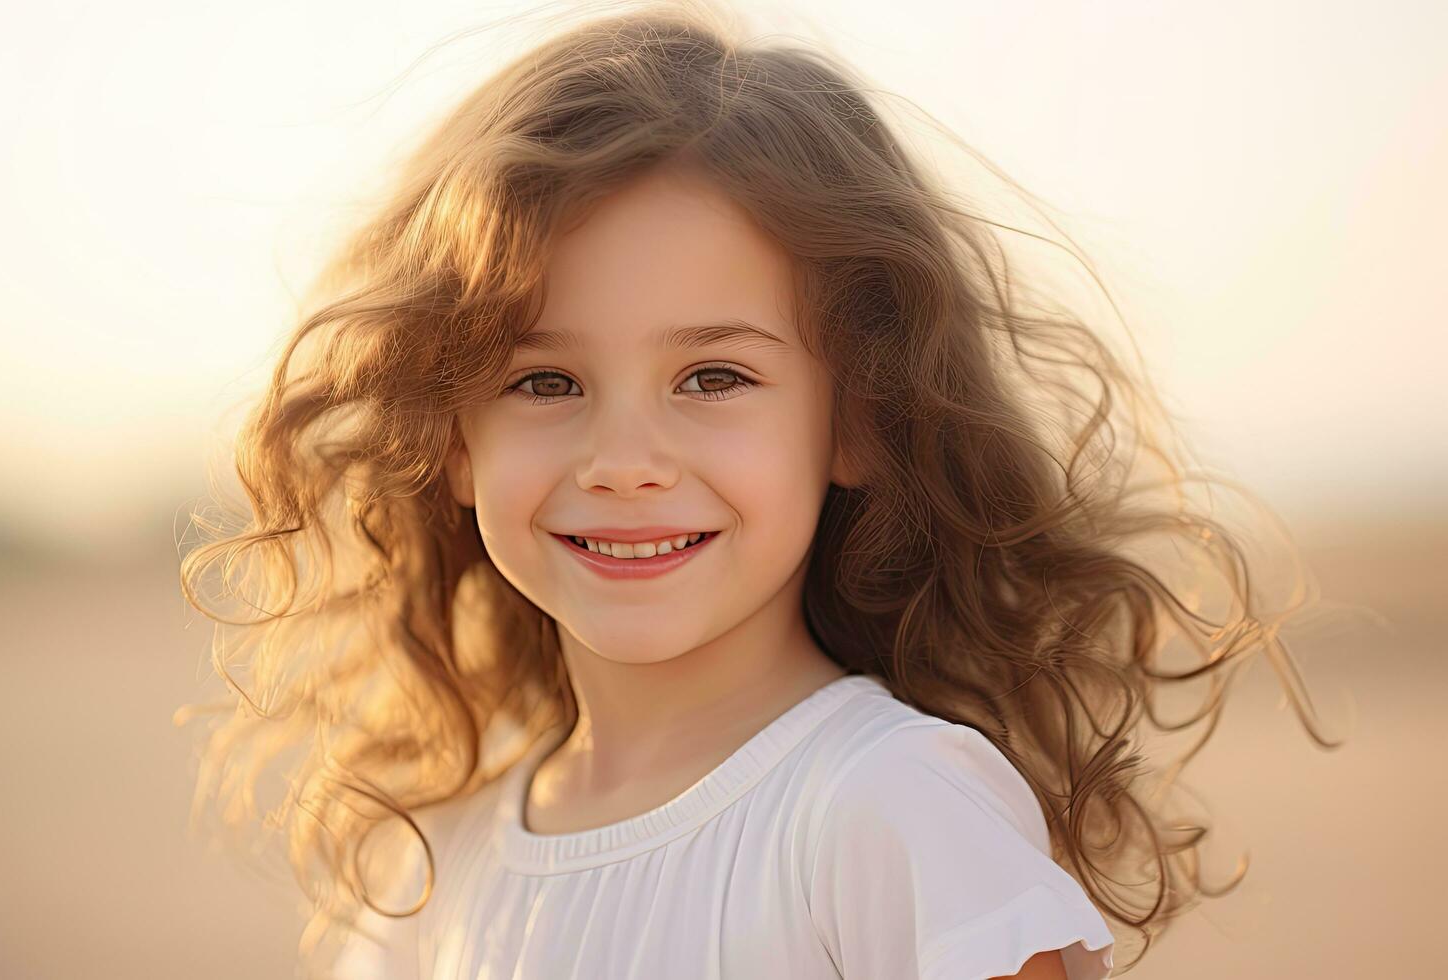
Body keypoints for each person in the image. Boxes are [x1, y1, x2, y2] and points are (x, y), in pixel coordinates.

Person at [177, 1, 1327, 977]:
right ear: (453, 437)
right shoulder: (430, 858)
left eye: (713, 374)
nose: (623, 457)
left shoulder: (891, 811)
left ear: (859, 417)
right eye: (545, 379)